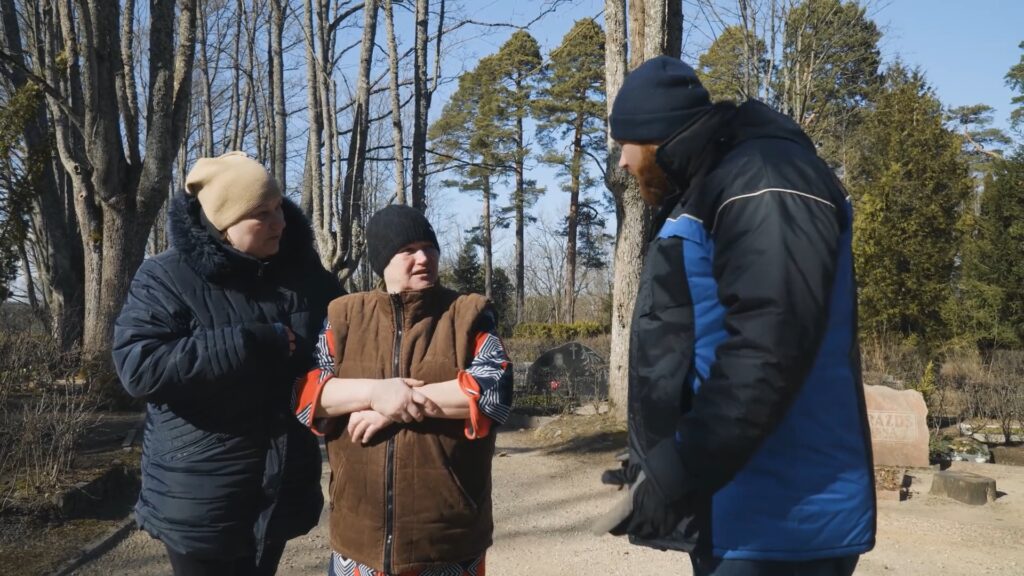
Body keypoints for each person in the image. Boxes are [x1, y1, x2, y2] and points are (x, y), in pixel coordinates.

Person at [600, 56, 876, 576]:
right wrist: (654, 457)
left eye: (624, 145)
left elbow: (768, 347)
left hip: (783, 520)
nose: (621, 163)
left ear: (657, 138)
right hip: (737, 506)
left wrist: (681, 464)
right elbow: (695, 336)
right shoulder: (716, 184)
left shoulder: (766, 179)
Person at [113, 151, 342, 575]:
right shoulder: (165, 277)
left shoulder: (305, 275)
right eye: (261, 213)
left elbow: (351, 343)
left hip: (281, 488)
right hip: (198, 497)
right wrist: (245, 344)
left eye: (277, 207)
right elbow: (138, 365)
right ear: (223, 224)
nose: (279, 222)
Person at [294, 204, 513, 576]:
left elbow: (494, 391)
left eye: (429, 247)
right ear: (383, 260)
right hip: (359, 540)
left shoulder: (468, 313)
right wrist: (376, 393)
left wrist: (393, 406)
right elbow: (309, 395)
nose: (423, 258)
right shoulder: (344, 316)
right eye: (407, 250)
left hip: (448, 540)